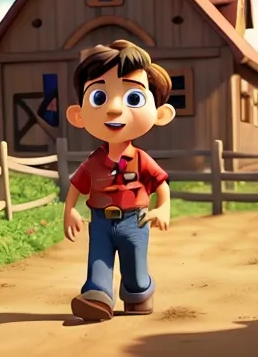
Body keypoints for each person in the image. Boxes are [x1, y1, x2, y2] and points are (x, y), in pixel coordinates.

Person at [62, 40, 176, 322]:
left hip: (134, 221)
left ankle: (139, 292)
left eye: (133, 98)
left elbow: (161, 184)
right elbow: (77, 186)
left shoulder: (142, 159)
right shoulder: (93, 161)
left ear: (161, 114)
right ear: (78, 114)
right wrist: (69, 211)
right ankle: (98, 297)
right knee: (98, 261)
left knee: (135, 268)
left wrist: (163, 208)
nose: (113, 109)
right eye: (99, 98)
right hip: (100, 221)